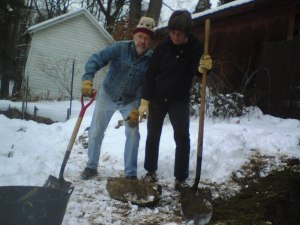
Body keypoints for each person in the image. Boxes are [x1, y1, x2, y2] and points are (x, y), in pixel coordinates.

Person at [137, 10, 212, 190]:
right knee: (153, 135)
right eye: (172, 32)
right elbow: (151, 75)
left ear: (187, 33)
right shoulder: (163, 47)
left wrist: (204, 69)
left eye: (179, 34)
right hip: (157, 98)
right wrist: (145, 100)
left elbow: (197, 69)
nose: (175, 36)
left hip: (179, 99)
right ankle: (150, 171)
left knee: (182, 137)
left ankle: (180, 178)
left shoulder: (195, 47)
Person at [80, 16, 156, 180]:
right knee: (95, 132)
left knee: (133, 133)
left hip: (130, 100)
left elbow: (150, 84)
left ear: (151, 42)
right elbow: (96, 59)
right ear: (134, 36)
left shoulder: (152, 59)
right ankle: (91, 166)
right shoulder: (120, 48)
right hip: (108, 95)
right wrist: (87, 79)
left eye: (147, 38)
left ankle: (130, 174)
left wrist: (142, 105)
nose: (142, 41)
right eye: (140, 37)